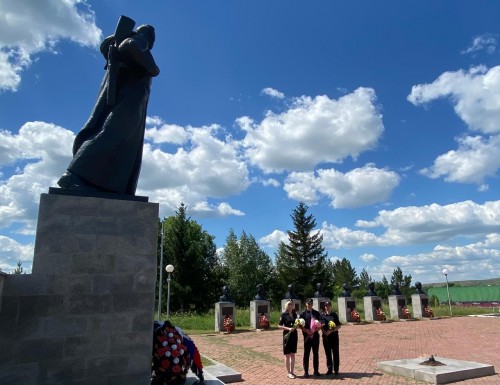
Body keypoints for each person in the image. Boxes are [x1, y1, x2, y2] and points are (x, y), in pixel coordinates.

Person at [57, 22, 160, 195]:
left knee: (118, 140)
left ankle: (102, 184)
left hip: (131, 99)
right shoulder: (140, 40)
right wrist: (153, 68)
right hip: (129, 101)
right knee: (113, 134)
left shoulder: (127, 45)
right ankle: (74, 175)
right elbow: (129, 45)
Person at [300, 298, 321, 377]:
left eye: (310, 303)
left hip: (315, 336)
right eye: (308, 303)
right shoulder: (303, 314)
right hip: (307, 336)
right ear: (306, 304)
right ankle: (306, 372)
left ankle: (316, 371)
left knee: (315, 353)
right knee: (306, 354)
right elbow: (300, 326)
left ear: (312, 304)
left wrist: (315, 330)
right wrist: (307, 331)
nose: (309, 305)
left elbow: (320, 324)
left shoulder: (317, 313)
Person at [278, 300, 298, 379]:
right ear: (286, 305)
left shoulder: (295, 314)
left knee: (293, 354)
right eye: (289, 304)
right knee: (287, 355)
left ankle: (292, 371)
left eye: (291, 304)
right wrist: (288, 328)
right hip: (287, 335)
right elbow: (279, 326)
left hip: (294, 335)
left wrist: (296, 326)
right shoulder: (283, 315)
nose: (290, 305)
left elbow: (297, 324)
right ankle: (288, 372)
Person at [321, 300, 341, 375]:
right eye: (326, 306)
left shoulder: (334, 315)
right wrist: (324, 331)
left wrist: (332, 330)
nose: (327, 307)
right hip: (326, 337)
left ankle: (336, 369)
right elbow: (320, 325)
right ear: (325, 307)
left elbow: (339, 326)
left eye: (328, 306)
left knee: (335, 353)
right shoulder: (322, 315)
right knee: (328, 354)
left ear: (331, 306)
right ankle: (329, 369)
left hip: (334, 337)